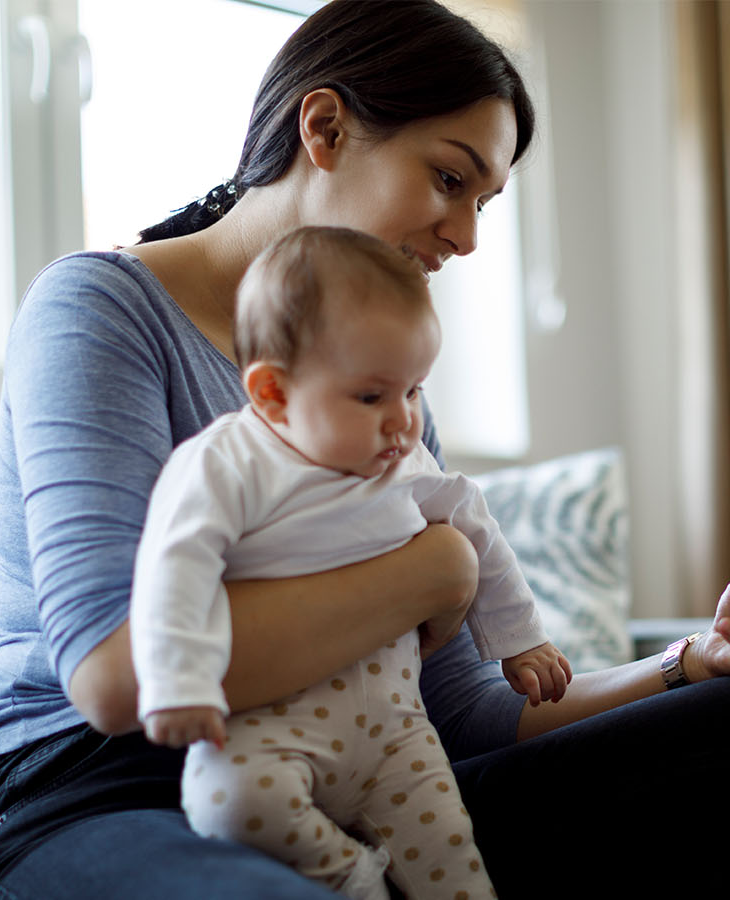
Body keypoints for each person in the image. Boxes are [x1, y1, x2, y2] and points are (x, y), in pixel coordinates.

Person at [0, 2, 730, 898]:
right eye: (447, 180)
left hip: (356, 779)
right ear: (324, 127)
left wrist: (689, 665)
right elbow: (116, 677)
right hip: (111, 791)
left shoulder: (381, 398)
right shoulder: (101, 312)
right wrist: (430, 572)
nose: (467, 236)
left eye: (483, 201)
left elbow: (461, 714)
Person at [131, 226, 570, 900]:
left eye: (415, 391)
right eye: (372, 396)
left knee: (453, 859)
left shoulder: (407, 461)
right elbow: (174, 568)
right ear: (274, 393)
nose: (404, 422)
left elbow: (477, 530)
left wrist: (521, 640)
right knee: (225, 802)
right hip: (269, 727)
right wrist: (178, 680)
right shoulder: (229, 462)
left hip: (396, 731)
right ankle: (348, 876)